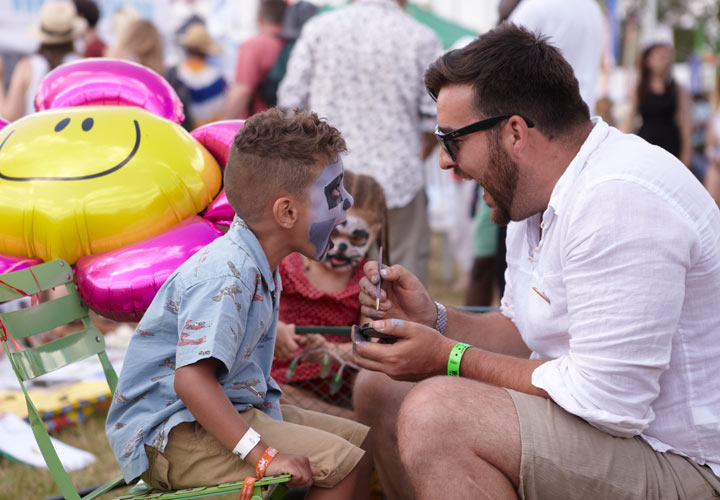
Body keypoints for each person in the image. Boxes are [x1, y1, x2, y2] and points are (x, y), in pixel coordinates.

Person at [351, 23, 720, 500]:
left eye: (452, 140)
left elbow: (608, 404)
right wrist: (435, 320)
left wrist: (447, 356)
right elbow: (528, 338)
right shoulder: (535, 195)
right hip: (619, 436)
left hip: (684, 464)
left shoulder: (619, 199)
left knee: (437, 413)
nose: (444, 161)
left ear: (515, 133)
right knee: (379, 389)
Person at [106, 108, 371, 498]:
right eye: (334, 193)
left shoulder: (258, 259)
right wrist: (263, 457)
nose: (347, 202)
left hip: (223, 412)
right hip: (173, 435)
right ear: (286, 212)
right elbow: (192, 381)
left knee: (360, 447)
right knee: (342, 466)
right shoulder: (228, 275)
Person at [277, 0, 442, 285]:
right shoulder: (421, 37)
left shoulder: (319, 29)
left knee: (326, 279)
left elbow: (290, 104)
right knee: (404, 282)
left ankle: (327, 331)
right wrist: (412, 157)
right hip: (399, 176)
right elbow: (434, 119)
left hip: (328, 177)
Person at [272, 170, 389, 420]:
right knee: (269, 393)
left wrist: (328, 350)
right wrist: (275, 329)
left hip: (341, 384)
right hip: (282, 380)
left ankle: (346, 422)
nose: (341, 247)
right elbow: (251, 312)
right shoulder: (284, 265)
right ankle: (350, 424)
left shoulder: (369, 280)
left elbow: (371, 344)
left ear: (375, 232)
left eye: (356, 237)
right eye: (334, 233)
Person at [501, 0, 604, 115]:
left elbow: (501, 64)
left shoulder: (536, 7)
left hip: (544, 122)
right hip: (584, 118)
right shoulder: (593, 9)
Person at [0, 1, 85, 121]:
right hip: (71, 138)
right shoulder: (80, 67)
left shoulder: (27, 66)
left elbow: (10, 117)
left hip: (35, 138)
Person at [624, 27, 693, 168]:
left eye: (666, 55)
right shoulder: (639, 88)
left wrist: (686, 156)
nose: (664, 59)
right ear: (648, 60)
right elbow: (629, 119)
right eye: (659, 55)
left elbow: (685, 124)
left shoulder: (677, 89)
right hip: (647, 144)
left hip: (671, 145)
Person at [224, 0, 286, 119]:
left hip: (259, 126)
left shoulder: (254, 45)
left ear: (260, 19)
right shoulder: (291, 43)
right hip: (287, 123)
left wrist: (220, 129)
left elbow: (242, 91)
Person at [168, 22, 227, 128]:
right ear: (207, 52)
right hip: (206, 134)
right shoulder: (218, 79)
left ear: (187, 48)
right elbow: (221, 112)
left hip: (180, 131)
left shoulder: (174, 73)